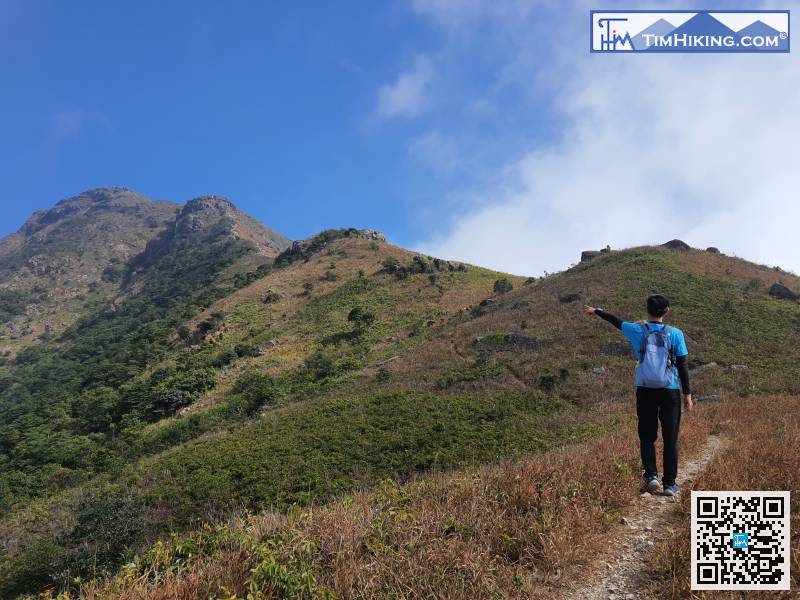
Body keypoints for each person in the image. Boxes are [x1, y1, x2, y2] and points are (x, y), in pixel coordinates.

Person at [584, 294, 692, 496]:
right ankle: (669, 484)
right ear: (666, 311)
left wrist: (597, 311)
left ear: (647, 309)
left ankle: (651, 477)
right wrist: (687, 394)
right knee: (670, 437)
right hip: (670, 390)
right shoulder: (676, 334)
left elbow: (615, 321)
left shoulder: (637, 330)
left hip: (645, 389)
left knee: (646, 435)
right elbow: (683, 365)